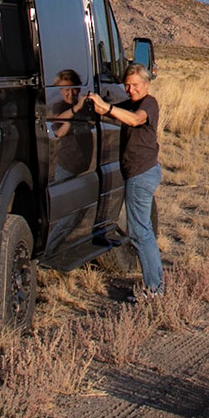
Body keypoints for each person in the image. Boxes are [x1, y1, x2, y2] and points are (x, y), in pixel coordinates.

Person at [90, 62, 163, 296]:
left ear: (147, 84)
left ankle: (155, 289)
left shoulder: (148, 104)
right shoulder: (131, 103)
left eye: (135, 85)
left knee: (140, 232)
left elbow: (134, 120)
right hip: (138, 172)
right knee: (142, 230)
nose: (131, 90)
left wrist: (108, 109)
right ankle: (155, 286)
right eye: (127, 86)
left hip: (141, 174)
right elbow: (110, 109)